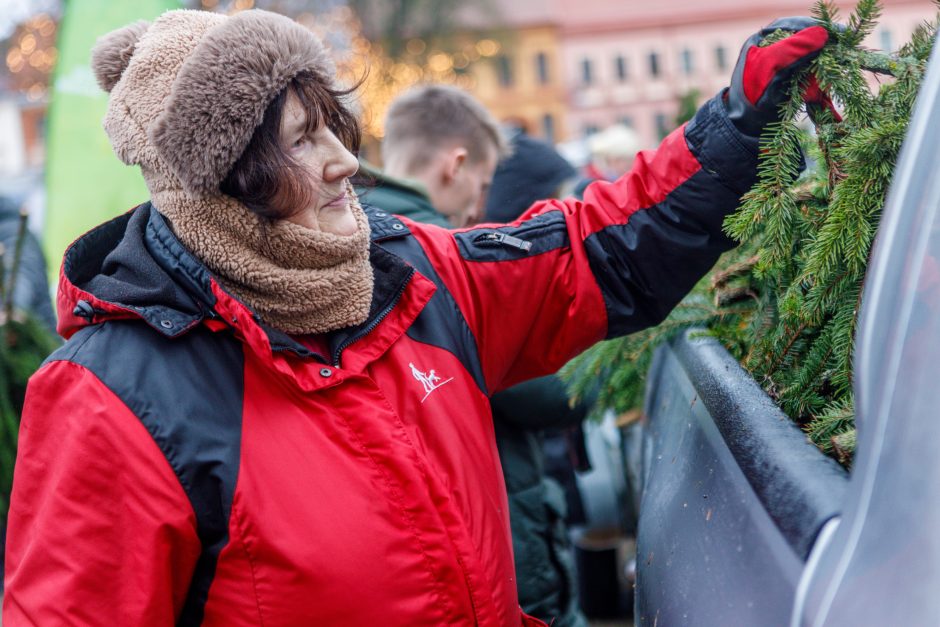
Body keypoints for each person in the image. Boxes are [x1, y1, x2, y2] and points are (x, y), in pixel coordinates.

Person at [3, 9, 831, 626]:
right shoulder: (112, 399)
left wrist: (733, 127)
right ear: (220, 184)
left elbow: (599, 253)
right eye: (300, 140)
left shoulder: (416, 272)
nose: (343, 161)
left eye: (334, 124)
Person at [358, 83, 505, 228]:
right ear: (456, 166)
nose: (474, 212)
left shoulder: (346, 210)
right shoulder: (442, 244)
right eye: (482, 186)